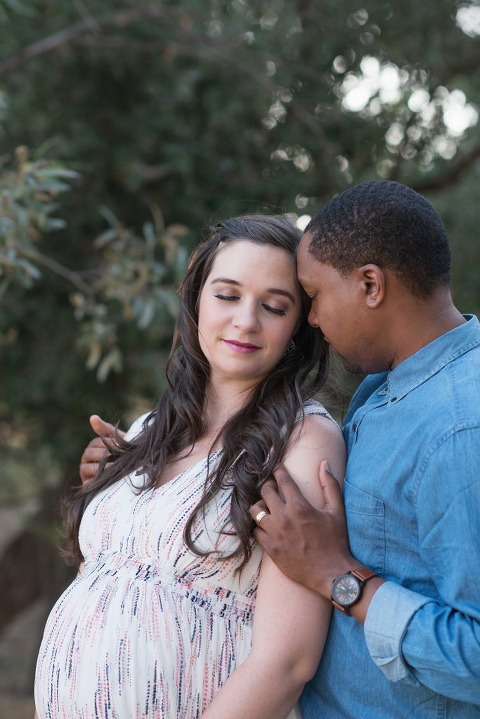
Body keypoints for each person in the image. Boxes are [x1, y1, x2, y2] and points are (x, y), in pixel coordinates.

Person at [34, 214, 346, 719]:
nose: (246, 320)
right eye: (227, 296)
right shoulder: (148, 428)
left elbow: (287, 662)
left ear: (297, 325)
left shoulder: (304, 441)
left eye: (273, 306)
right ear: (197, 300)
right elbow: (114, 590)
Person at [249, 181, 480, 718]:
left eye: (315, 295)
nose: (310, 318)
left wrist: (339, 578)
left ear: (371, 285)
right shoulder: (389, 383)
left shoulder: (459, 429)